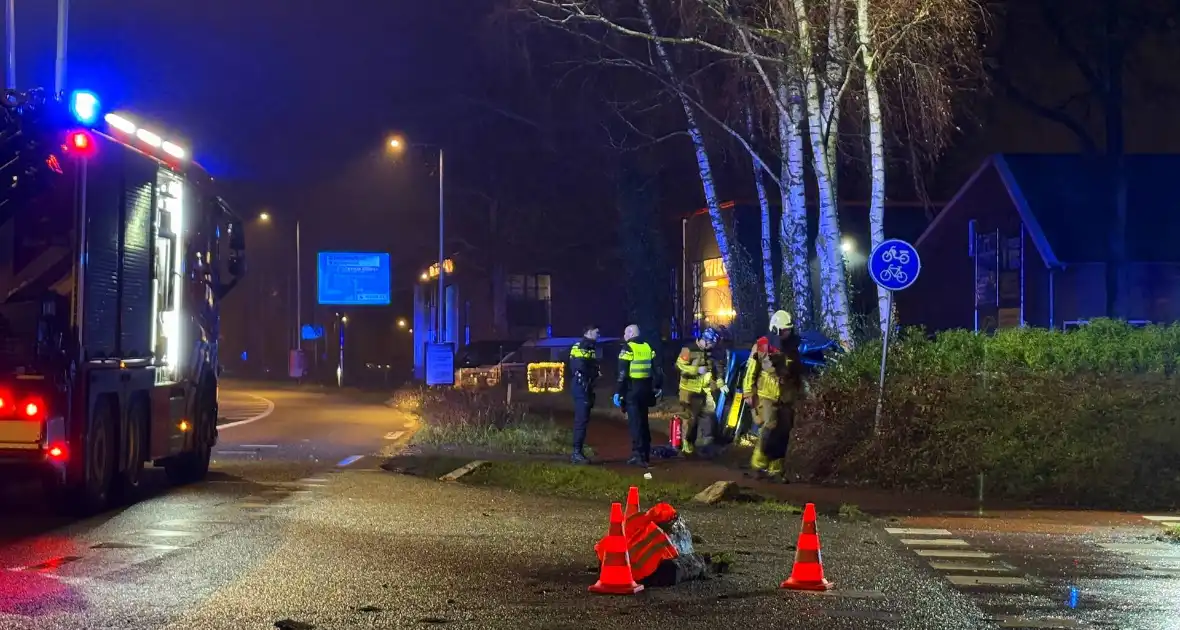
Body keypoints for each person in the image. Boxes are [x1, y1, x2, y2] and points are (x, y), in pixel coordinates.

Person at [742, 310, 805, 482]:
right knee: (769, 427)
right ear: (776, 329)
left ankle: (776, 469)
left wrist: (801, 392)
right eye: (784, 330)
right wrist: (748, 392)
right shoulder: (762, 345)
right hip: (766, 394)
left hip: (787, 396)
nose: (787, 333)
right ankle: (758, 465)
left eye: (789, 330)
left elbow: (797, 372)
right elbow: (750, 371)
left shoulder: (792, 346)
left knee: (784, 432)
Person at [613, 324, 663, 468]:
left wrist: (618, 391)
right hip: (646, 389)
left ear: (630, 333)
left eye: (625, 333)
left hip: (632, 390)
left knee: (635, 423)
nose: (624, 336)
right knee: (644, 421)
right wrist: (658, 386)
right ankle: (645, 454)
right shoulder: (647, 347)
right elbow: (658, 370)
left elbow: (622, 374)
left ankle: (638, 456)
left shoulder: (628, 348)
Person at [674, 327, 722, 457]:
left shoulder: (708, 352)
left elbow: (714, 369)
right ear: (705, 341)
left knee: (708, 416)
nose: (713, 347)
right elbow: (679, 366)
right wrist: (696, 370)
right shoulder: (688, 349)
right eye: (712, 344)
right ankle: (686, 445)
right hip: (688, 391)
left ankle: (704, 446)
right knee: (690, 419)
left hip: (703, 391)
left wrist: (718, 383)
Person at [568, 325, 600, 464]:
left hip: (585, 386)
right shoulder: (582, 346)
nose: (599, 334)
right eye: (596, 332)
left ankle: (578, 451)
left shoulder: (589, 347)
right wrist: (594, 372)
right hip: (581, 386)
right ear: (588, 332)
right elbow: (580, 368)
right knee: (581, 420)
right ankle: (576, 453)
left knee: (583, 420)